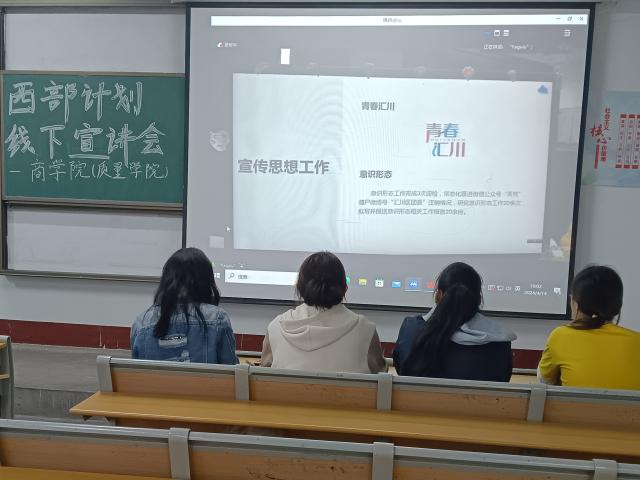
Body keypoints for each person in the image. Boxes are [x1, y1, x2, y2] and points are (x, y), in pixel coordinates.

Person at [261, 251, 387, 374]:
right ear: (345, 288)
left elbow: (262, 374)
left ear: (299, 288)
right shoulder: (365, 329)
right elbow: (380, 375)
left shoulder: (275, 327)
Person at [393, 262, 516, 381]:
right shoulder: (500, 342)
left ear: (438, 296)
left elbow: (402, 371)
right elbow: (503, 379)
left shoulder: (411, 329)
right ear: (478, 299)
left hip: (415, 396)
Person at [538, 265, 640, 389]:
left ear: (575, 303)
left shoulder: (560, 336)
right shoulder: (637, 341)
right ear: (618, 306)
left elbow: (544, 382)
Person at [131, 247, 238, 364]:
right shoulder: (218, 318)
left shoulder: (141, 322)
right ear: (206, 281)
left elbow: (136, 370)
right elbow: (231, 370)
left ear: (166, 280)